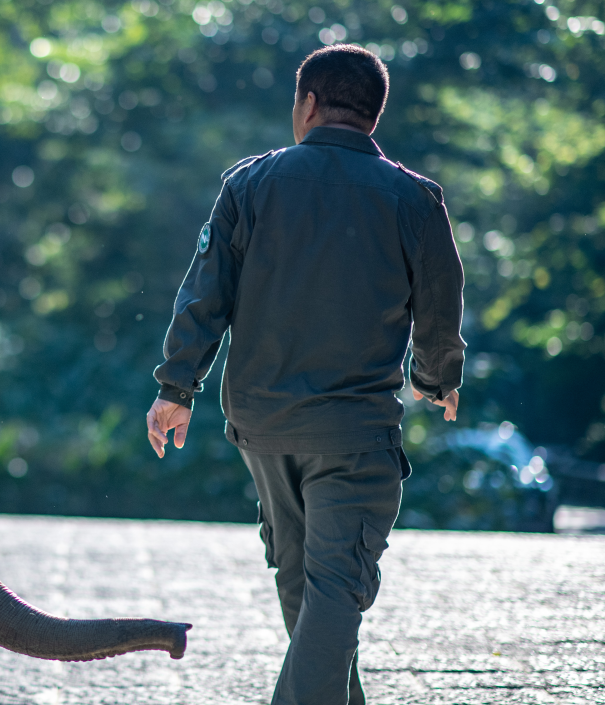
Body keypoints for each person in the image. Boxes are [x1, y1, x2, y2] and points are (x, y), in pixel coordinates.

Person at [146, 44, 465, 705]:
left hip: (262, 426)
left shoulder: (250, 184)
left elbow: (204, 294)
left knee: (304, 584)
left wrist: (177, 388)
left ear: (308, 103)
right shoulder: (414, 198)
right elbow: (439, 302)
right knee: (332, 589)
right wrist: (436, 378)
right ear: (373, 115)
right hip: (352, 433)